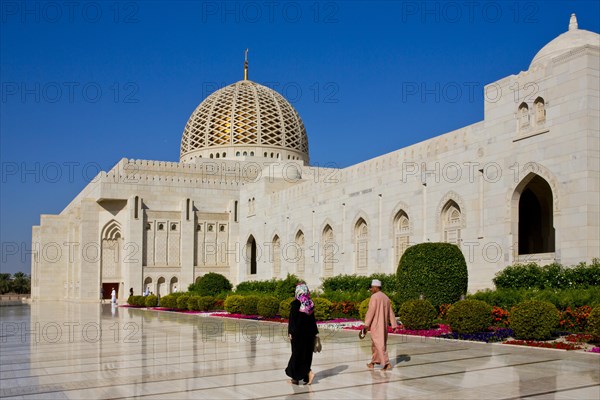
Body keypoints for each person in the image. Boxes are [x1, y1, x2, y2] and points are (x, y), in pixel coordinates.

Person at [285, 283, 318, 385]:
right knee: (306, 355)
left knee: (297, 355)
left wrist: (290, 332)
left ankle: (308, 373)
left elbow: (293, 320)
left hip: (298, 334)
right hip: (309, 334)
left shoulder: (296, 303)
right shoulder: (309, 304)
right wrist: (315, 333)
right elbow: (313, 320)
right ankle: (300, 379)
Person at [364, 279, 397, 370]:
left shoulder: (374, 297)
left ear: (375, 287)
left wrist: (366, 324)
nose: (371, 289)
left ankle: (386, 363)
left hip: (376, 324)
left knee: (379, 344)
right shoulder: (386, 297)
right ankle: (373, 362)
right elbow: (390, 312)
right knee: (375, 344)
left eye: (372, 287)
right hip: (384, 325)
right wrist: (393, 324)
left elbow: (371, 311)